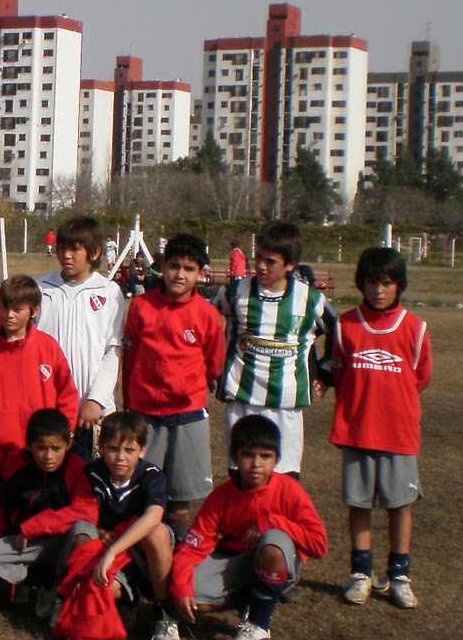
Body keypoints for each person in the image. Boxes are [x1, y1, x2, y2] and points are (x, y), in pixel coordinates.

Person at [170, 414, 328, 640]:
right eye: (248, 455)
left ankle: (258, 626)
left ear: (277, 459)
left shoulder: (290, 490)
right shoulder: (222, 496)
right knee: (193, 599)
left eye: (265, 456)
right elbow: (193, 546)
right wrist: (181, 587)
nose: (256, 464)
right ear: (234, 457)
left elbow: (319, 546)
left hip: (280, 561)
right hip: (236, 560)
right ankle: (250, 599)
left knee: (274, 540)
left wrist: (275, 522)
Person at [328, 247, 433, 609]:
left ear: (398, 285)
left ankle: (399, 574)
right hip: (357, 430)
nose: (378, 290)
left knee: (399, 505)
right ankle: (361, 572)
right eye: (372, 282)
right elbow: (339, 373)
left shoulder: (416, 328)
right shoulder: (345, 325)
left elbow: (420, 377)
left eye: (386, 283)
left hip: (399, 434)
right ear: (362, 283)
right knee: (359, 504)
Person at [120, 232, 224, 539]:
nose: (180, 274)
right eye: (174, 266)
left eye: (189, 269)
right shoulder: (141, 306)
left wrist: (187, 387)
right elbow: (131, 354)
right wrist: (131, 401)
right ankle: (141, 556)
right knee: (142, 488)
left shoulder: (208, 314)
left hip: (187, 413)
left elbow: (214, 363)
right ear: (163, 267)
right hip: (145, 412)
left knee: (180, 495)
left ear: (201, 274)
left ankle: (177, 549)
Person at [217, 220, 334, 478]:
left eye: (270, 261)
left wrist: (325, 374)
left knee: (285, 480)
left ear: (290, 265)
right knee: (241, 478)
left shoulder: (310, 300)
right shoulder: (235, 292)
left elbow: (341, 335)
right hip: (242, 399)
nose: (260, 265)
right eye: (258, 257)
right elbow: (203, 317)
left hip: (286, 404)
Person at [0, 409, 99, 621]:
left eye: (56, 448)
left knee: (85, 532)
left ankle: (59, 588)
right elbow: (0, 455)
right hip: (24, 543)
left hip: (58, 542)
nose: (49, 456)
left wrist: (37, 525)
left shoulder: (76, 466)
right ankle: (31, 581)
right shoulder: (17, 462)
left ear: (68, 446)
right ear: (29, 445)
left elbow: (88, 509)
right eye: (41, 448)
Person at [81, 411, 178, 640]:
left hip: (143, 552)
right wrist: (97, 529)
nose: (120, 457)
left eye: (129, 450)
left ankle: (165, 611)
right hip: (113, 554)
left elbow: (154, 516)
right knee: (100, 584)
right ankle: (129, 600)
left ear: (143, 451)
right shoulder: (92, 473)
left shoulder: (151, 475)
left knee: (156, 533)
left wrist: (112, 550)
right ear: (101, 447)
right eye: (113, 448)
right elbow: (80, 510)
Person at [0, 275, 78, 479]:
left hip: (46, 450)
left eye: (18, 310)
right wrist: (1, 433)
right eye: (4, 308)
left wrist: (60, 434)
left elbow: (68, 395)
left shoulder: (48, 347)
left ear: (34, 311)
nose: (9, 315)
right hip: (5, 453)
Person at [36, 216, 126, 459]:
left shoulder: (109, 292)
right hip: (47, 409)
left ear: (95, 252)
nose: (67, 255)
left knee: (88, 485)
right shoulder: (40, 289)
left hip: (89, 413)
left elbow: (113, 351)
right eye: (62, 248)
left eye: (75, 249)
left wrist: (95, 400)